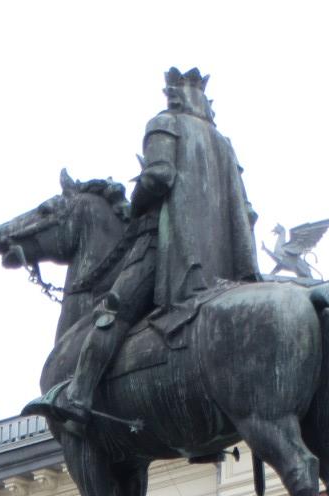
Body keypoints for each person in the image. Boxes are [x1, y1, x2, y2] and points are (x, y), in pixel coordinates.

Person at [32, 66, 259, 434]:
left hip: (169, 244)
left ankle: (79, 393)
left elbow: (158, 176)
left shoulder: (164, 124)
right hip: (223, 262)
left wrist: (135, 207)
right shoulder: (223, 143)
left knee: (113, 309)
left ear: (173, 95)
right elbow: (247, 212)